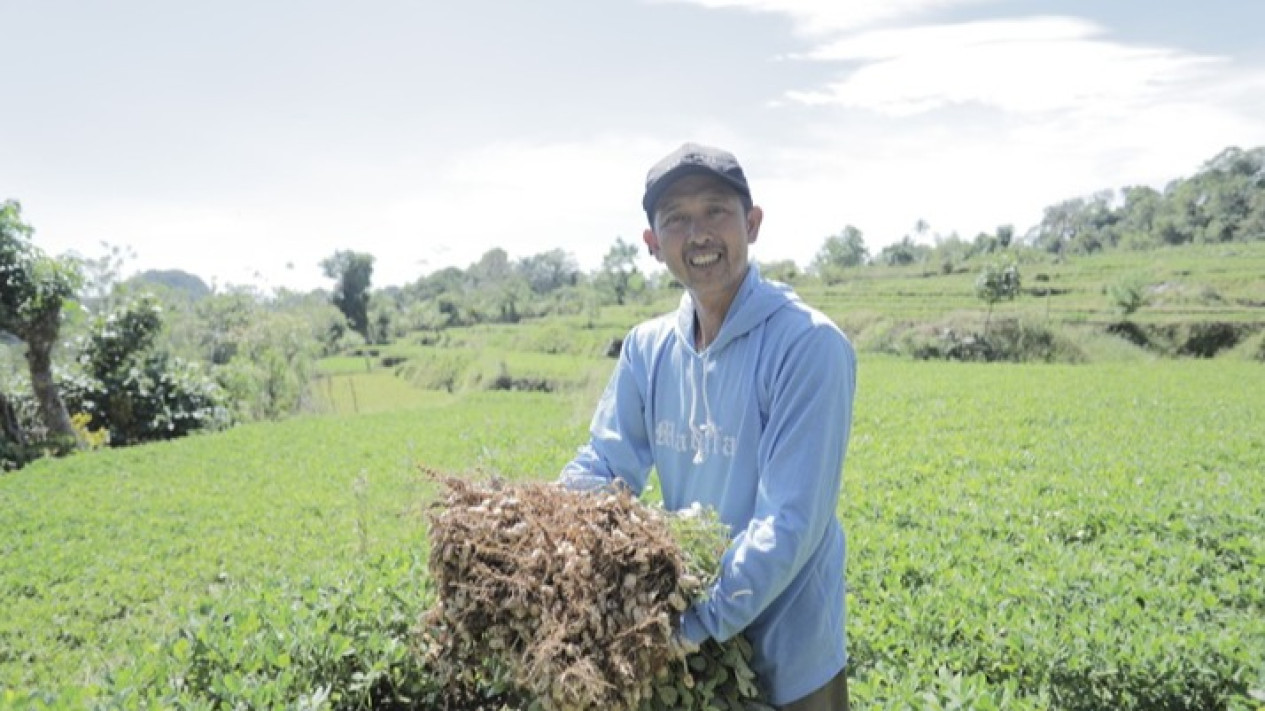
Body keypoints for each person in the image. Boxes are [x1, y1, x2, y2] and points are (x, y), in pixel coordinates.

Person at [559, 143, 857, 710]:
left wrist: (690, 626)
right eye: (676, 219)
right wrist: (540, 529)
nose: (697, 234)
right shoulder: (647, 349)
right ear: (652, 244)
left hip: (788, 652)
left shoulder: (809, 347)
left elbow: (788, 522)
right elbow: (604, 463)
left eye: (716, 211)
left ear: (752, 222)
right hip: (697, 648)